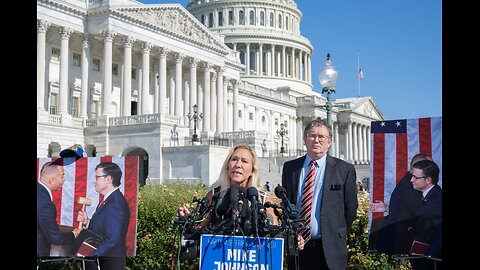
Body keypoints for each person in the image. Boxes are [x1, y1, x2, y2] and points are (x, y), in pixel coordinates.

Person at [281, 119, 358, 270]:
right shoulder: (290, 168)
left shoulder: (344, 169)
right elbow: (286, 205)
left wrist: (334, 233)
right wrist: (292, 234)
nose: (316, 140)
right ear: (304, 140)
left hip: (330, 249)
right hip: (298, 248)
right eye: (312, 136)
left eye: (321, 137)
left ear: (330, 141)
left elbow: (351, 209)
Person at [177, 144, 278, 232]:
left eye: (244, 161)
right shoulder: (214, 195)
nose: (238, 165)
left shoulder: (264, 200)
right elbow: (199, 225)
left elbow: (275, 232)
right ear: (227, 165)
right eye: (234, 159)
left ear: (252, 170)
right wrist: (187, 219)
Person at [369, 153, 433, 255]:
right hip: (409, 240)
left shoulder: (409, 182)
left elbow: (405, 211)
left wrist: (387, 208)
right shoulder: (412, 186)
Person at [77, 161, 130, 270]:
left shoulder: (115, 203)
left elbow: (112, 239)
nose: (94, 181)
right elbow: (104, 228)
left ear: (108, 179)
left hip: (110, 261)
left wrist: (90, 254)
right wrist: (88, 222)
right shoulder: (108, 200)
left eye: (97, 177)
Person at [37, 160, 81, 257]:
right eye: (62, 176)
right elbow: (55, 238)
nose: (63, 180)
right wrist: (74, 234)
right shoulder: (45, 204)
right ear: (52, 180)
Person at [408, 159, 442, 270]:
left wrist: (428, 257)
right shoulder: (427, 197)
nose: (411, 180)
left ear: (428, 180)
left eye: (415, 177)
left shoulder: (437, 200)